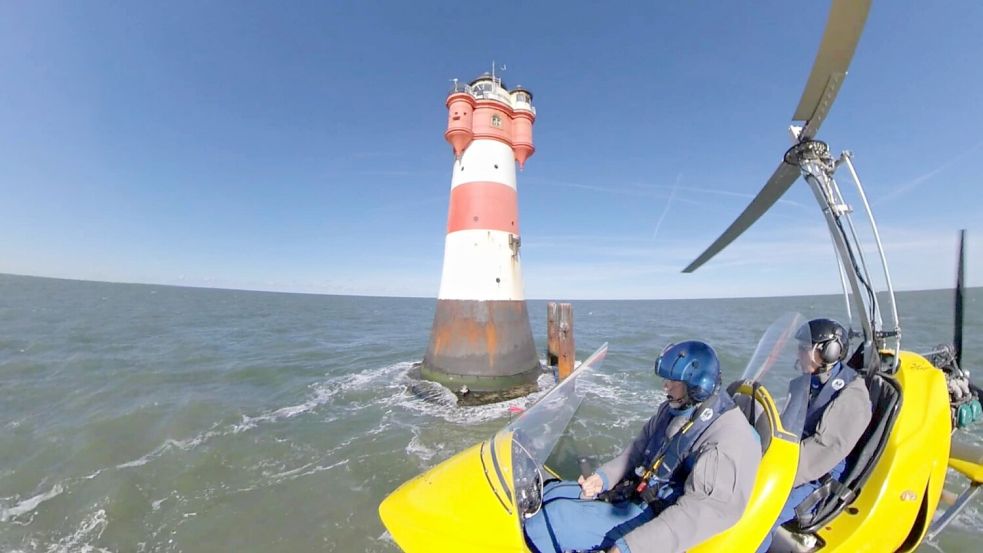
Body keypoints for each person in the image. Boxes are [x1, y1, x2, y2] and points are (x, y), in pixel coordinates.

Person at [523, 340, 762, 553]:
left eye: (673, 381)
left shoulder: (728, 442)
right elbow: (638, 450)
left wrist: (629, 547)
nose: (665, 387)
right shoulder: (674, 409)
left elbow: (700, 514)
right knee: (550, 493)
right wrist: (604, 478)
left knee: (550, 521)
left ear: (697, 385)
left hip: (659, 517)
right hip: (639, 493)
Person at [757, 318, 872, 552]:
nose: (798, 353)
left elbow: (820, 453)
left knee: (760, 513)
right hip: (790, 463)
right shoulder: (805, 383)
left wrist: (766, 472)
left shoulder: (852, 397)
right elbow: (784, 426)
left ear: (830, 352)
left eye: (804, 347)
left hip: (814, 480)